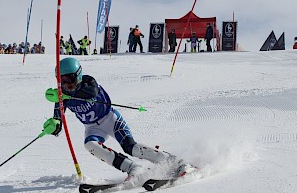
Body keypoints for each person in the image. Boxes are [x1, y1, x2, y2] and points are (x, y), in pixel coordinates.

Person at [45, 58, 192, 185]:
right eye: (62, 81)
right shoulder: (61, 95)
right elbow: (58, 118)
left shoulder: (88, 82)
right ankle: (134, 169)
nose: (66, 85)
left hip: (110, 119)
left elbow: (91, 93)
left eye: (69, 80)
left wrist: (66, 97)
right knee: (90, 145)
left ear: (78, 75)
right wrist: (54, 125)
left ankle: (177, 163)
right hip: (92, 128)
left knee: (130, 147)